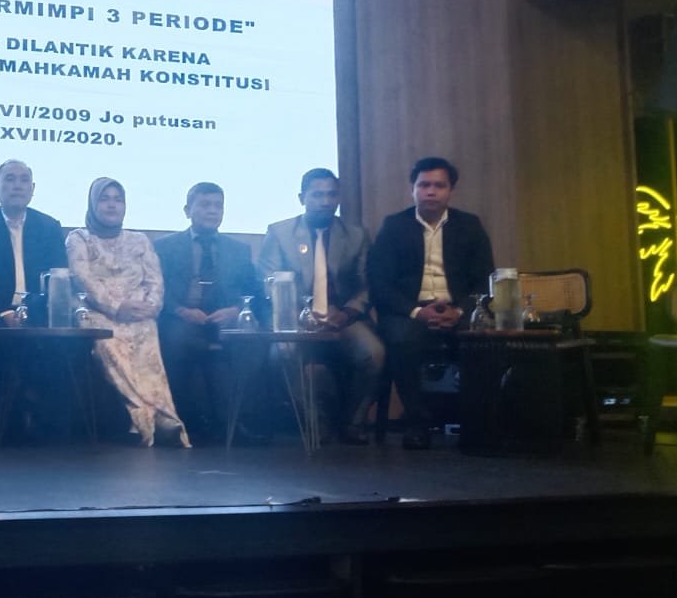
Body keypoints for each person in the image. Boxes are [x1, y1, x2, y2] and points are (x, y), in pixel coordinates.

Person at [367, 156, 495, 449]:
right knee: (402, 340)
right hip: (408, 311)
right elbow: (379, 283)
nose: (431, 192)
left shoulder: (469, 225)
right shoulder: (394, 226)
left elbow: (485, 280)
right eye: (424, 185)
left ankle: (477, 423)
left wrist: (460, 311)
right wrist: (416, 311)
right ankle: (417, 423)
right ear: (412, 189)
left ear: (451, 190)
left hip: (457, 307)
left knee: (482, 342)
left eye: (439, 185)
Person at [257, 168, 385, 444]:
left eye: (331, 195)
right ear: (301, 198)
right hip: (293, 316)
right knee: (282, 353)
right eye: (317, 195)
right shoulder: (279, 233)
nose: (325, 202)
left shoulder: (356, 235)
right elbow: (268, 281)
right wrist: (296, 313)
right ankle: (315, 422)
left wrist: (347, 313)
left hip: (342, 318)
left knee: (373, 354)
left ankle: (353, 422)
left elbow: (367, 285)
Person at [66, 178, 189, 447]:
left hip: (139, 314)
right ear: (92, 204)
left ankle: (161, 415)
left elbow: (154, 279)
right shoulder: (79, 239)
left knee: (146, 334)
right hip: (99, 313)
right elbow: (83, 279)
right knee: (109, 341)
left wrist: (150, 306)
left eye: (118, 199)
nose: (112, 205)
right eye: (104, 198)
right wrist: (116, 307)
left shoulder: (139, 240)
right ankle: (146, 416)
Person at [155, 182, 264, 441]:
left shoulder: (239, 249)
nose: (212, 211)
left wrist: (235, 310)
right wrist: (180, 310)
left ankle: (238, 420)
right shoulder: (165, 247)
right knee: (178, 339)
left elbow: (254, 292)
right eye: (205, 205)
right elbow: (157, 289)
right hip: (180, 317)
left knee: (253, 341)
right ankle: (187, 421)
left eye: (218, 206)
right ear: (187, 210)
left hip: (225, 318)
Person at [0, 160, 69, 325]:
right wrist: (4, 312)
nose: (17, 186)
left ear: (32, 189)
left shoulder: (49, 226)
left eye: (24, 180)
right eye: (10, 179)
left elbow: (58, 277)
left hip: (39, 316)